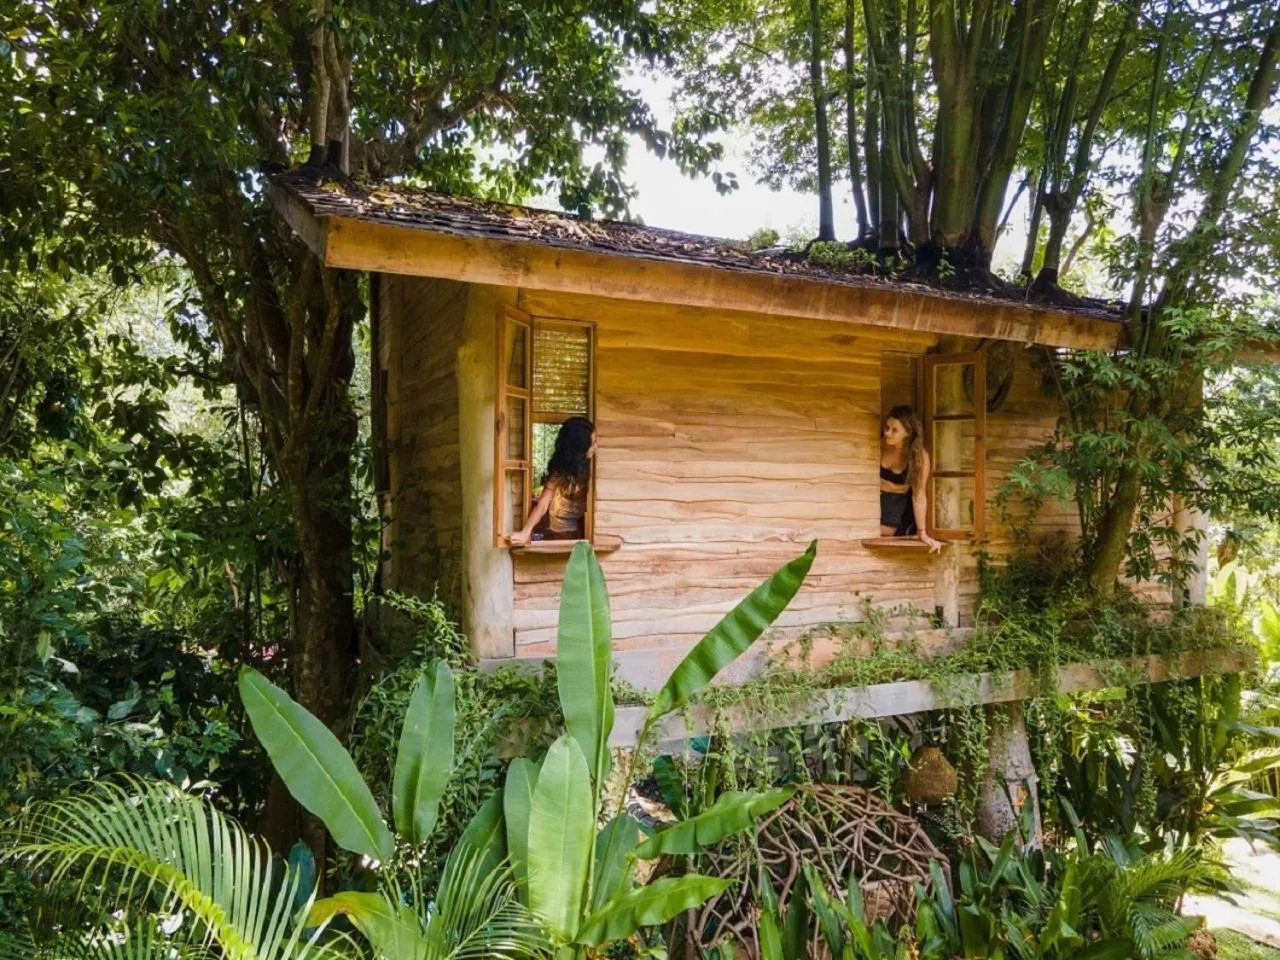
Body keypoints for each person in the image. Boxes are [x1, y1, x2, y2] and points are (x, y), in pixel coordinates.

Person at [509, 416, 596, 546]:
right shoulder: (561, 470)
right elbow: (543, 503)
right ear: (580, 448)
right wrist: (525, 532)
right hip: (563, 520)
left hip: (583, 516)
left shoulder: (595, 462)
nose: (596, 447)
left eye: (596, 441)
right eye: (592, 443)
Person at [880, 405, 943, 552]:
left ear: (908, 432)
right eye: (886, 427)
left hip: (894, 501)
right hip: (871, 497)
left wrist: (922, 532)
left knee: (883, 533)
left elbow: (919, 494)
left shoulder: (919, 456)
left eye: (894, 430)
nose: (887, 433)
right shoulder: (878, 444)